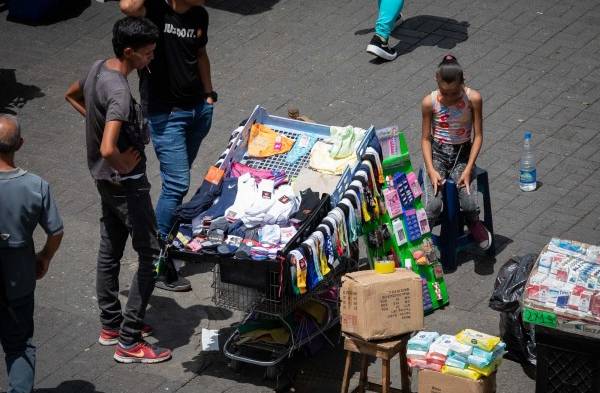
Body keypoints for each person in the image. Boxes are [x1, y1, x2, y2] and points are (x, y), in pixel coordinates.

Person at [64, 16, 172, 363]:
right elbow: (110, 147)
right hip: (126, 185)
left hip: (103, 181)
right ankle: (129, 341)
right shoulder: (121, 93)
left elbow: (71, 95)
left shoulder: (99, 68)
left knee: (110, 248)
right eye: (147, 54)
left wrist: (95, 126)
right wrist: (124, 164)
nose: (150, 59)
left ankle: (111, 324)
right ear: (129, 51)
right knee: (151, 254)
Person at [119, 0, 216, 291]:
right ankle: (155, 261)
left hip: (198, 110)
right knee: (177, 183)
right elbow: (127, 6)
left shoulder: (200, 14)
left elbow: (201, 54)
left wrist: (209, 95)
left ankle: (166, 238)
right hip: (166, 114)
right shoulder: (156, 10)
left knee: (178, 179)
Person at [0, 114, 63, 393]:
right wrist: (44, 257)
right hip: (19, 279)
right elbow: (56, 231)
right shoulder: (36, 186)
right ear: (20, 144)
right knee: (19, 346)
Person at [421, 55, 492, 250]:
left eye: (455, 93)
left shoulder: (473, 99)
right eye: (445, 92)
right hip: (437, 155)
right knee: (433, 205)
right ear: (437, 79)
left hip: (462, 154)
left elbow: (478, 136)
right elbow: (426, 139)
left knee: (469, 202)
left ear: (463, 82)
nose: (450, 98)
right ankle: (424, 236)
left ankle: (474, 222)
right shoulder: (429, 102)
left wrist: (469, 168)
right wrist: (431, 169)